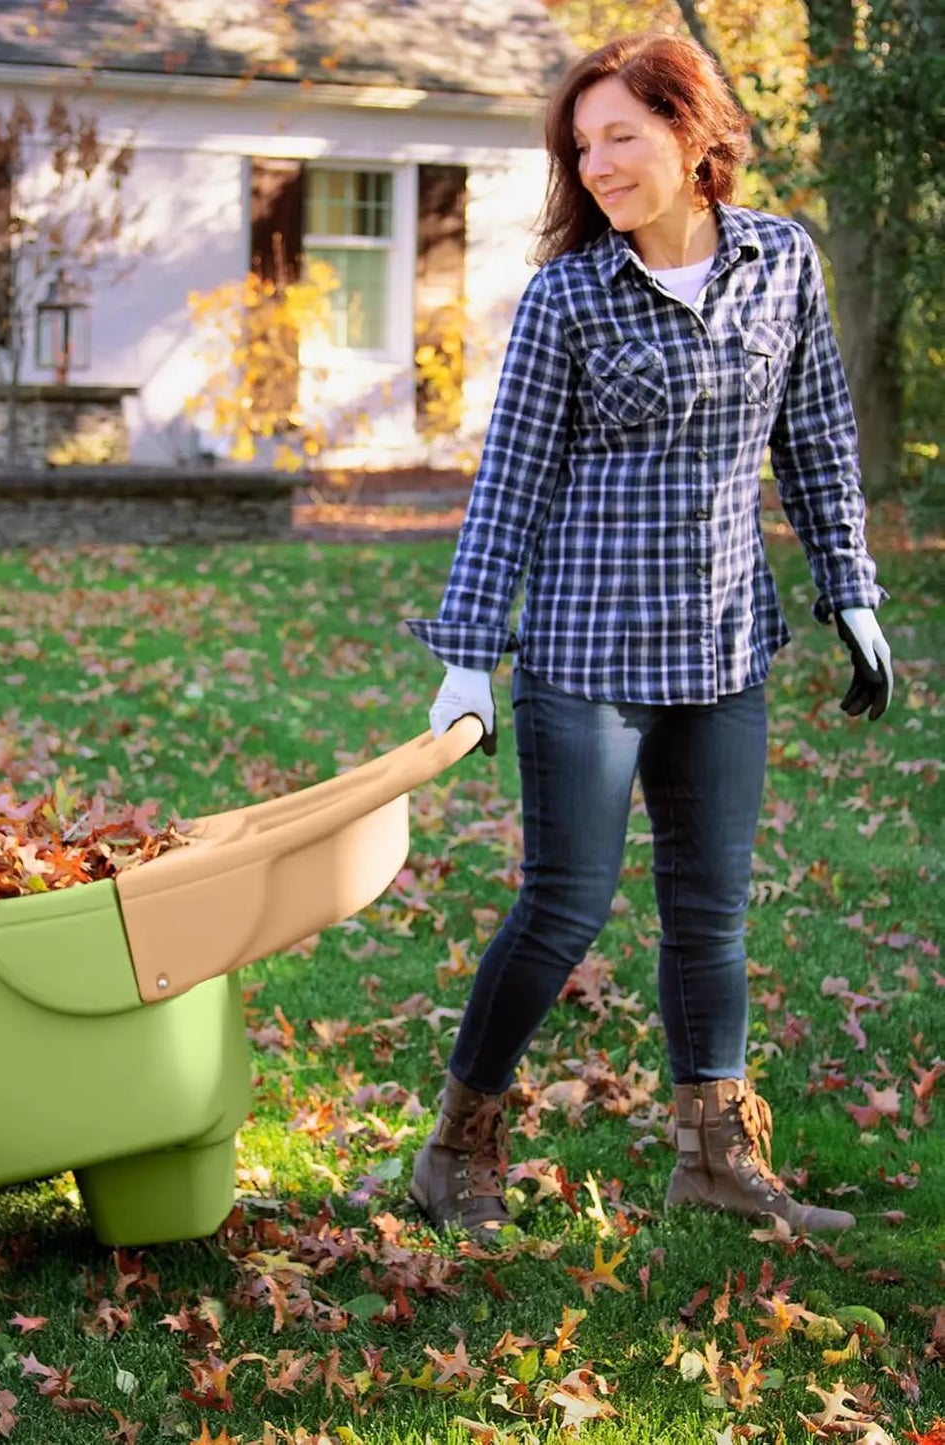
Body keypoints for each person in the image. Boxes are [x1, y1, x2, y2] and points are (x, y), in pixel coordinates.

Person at [405, 32, 892, 1239]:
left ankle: (713, 1157)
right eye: (582, 146)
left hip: (724, 649)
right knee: (563, 909)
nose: (598, 165)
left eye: (620, 135)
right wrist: (468, 652)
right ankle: (454, 1144)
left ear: (690, 132)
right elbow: (509, 483)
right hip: (586, 654)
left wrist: (851, 591)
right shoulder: (567, 295)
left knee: (709, 912)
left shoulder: (779, 261)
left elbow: (815, 440)